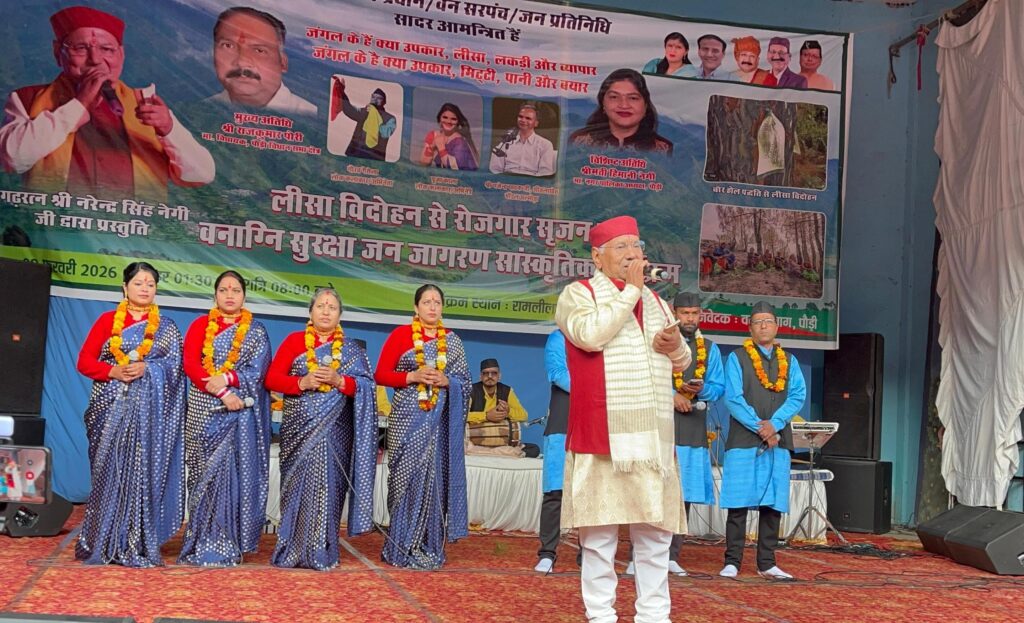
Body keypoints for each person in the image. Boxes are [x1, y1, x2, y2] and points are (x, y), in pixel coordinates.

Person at [555, 215, 690, 623]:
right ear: (597, 257)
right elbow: (590, 336)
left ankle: (654, 615)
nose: (633, 254)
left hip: (652, 440)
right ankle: (601, 616)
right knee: (599, 538)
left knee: (655, 538)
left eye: (636, 245)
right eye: (621, 247)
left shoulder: (657, 302)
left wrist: (675, 345)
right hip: (604, 435)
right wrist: (631, 290)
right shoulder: (578, 294)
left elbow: (682, 362)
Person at [0, 6, 215, 200]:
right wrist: (79, 104)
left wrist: (168, 129)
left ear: (121, 55)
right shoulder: (28, 98)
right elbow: (11, 159)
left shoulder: (146, 102)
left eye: (106, 49)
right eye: (81, 48)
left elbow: (202, 175)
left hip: (133, 226)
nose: (95, 59)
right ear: (58, 53)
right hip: (56, 222)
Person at [75, 261, 186, 566]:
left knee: (140, 475)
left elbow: (176, 368)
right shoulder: (107, 321)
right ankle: (101, 540)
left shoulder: (166, 328)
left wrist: (148, 368)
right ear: (125, 287)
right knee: (108, 474)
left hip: (149, 416)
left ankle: (135, 540)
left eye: (150, 284)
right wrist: (113, 371)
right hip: (109, 408)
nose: (145, 288)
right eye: (138, 283)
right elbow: (84, 362)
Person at [264, 288, 377, 570]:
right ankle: (291, 549)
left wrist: (340, 380)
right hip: (298, 432)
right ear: (310, 311)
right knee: (296, 489)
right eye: (321, 306)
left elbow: (366, 386)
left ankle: (322, 550)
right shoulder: (294, 341)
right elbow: (272, 379)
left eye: (332, 307)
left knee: (329, 489)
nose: (326, 312)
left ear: (340, 315)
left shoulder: (351, 349)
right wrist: (301, 383)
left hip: (336, 433)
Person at [178, 271, 272, 567]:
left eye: (235, 290)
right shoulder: (200, 325)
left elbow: (259, 372)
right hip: (204, 409)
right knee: (203, 476)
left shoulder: (256, 331)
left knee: (235, 476)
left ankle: (230, 540)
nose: (229, 295)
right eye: (223, 289)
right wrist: (222, 392)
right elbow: (191, 365)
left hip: (240, 414)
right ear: (215, 294)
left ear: (244, 295)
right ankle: (200, 539)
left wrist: (229, 379)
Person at [374, 284, 472, 569]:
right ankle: (399, 545)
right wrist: (412, 376)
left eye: (437, 302)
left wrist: (448, 381)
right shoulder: (400, 335)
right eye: (426, 302)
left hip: (438, 427)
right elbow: (381, 374)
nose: (432, 306)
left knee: (434, 481)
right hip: (406, 421)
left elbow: (465, 383)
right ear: (415, 308)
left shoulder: (453, 342)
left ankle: (428, 543)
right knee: (404, 481)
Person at [719, 301, 806, 580]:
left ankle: (767, 562)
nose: (764, 326)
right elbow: (733, 398)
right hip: (744, 440)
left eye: (768, 321)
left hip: (778, 440)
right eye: (758, 322)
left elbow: (798, 395)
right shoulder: (737, 358)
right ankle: (732, 561)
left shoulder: (789, 360)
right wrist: (761, 427)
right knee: (738, 503)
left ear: (777, 326)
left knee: (772, 504)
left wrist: (775, 424)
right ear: (750, 328)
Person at [208, 7, 317, 115]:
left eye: (259, 50)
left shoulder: (313, 117)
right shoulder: (202, 110)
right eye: (228, 46)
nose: (242, 62)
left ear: (283, 63)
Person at [535, 329, 575, 573]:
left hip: (595, 421)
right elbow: (558, 374)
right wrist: (594, 387)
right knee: (555, 490)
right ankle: (548, 553)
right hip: (563, 419)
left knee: (593, 490)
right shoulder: (559, 337)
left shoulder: (601, 338)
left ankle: (590, 554)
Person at [569, 68, 673, 155]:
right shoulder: (580, 140)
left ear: (645, 105)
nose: (624, 105)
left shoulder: (662, 148)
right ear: (603, 103)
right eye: (614, 97)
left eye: (633, 98)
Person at [467, 358, 533, 453]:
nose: (490, 376)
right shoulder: (471, 391)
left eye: (494, 373)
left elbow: (524, 416)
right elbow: (460, 416)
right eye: (486, 373)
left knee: (534, 449)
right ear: (480, 376)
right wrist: (486, 416)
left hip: (501, 442)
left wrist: (508, 412)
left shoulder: (507, 391)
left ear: (499, 376)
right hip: (475, 442)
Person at [331, 77, 396, 161]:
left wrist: (375, 115)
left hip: (374, 158)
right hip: (355, 153)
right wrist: (342, 92)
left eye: (379, 98)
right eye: (373, 97)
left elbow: (385, 133)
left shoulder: (390, 118)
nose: (375, 100)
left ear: (384, 102)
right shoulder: (364, 111)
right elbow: (349, 110)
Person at [488, 102, 555, 176]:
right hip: (507, 180)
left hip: (531, 181)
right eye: (520, 117)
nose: (523, 120)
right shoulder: (506, 142)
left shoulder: (545, 145)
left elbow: (545, 173)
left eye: (528, 118)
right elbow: (495, 169)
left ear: (536, 123)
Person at [420, 102, 480, 171]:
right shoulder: (433, 135)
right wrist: (430, 149)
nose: (449, 121)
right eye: (445, 117)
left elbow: (455, 168)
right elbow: (423, 163)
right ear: (440, 118)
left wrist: (441, 147)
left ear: (458, 121)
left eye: (453, 119)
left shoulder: (460, 142)